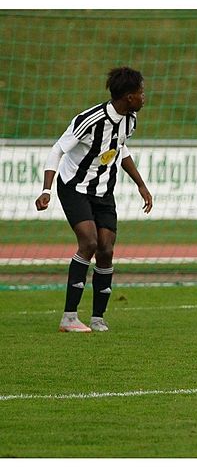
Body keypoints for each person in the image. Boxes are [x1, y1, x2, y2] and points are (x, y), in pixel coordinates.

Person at [35, 67, 153, 332]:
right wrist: (46, 190)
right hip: (74, 187)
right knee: (88, 242)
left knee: (106, 249)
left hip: (103, 192)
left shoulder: (129, 119)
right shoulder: (90, 119)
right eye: (140, 93)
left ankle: (98, 318)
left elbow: (120, 148)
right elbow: (57, 150)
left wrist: (141, 184)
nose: (144, 97)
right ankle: (69, 318)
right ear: (127, 96)